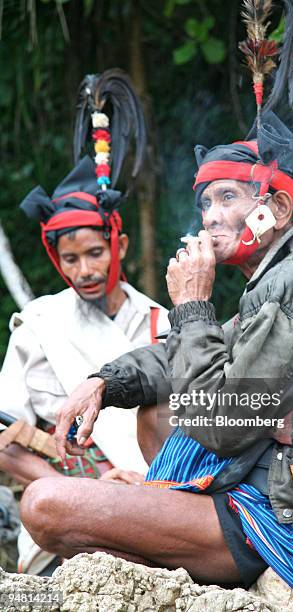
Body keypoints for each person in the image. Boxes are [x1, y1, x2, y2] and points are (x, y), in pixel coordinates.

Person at [20, 111, 293, 596]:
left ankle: (176, 548)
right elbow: (190, 359)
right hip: (274, 496)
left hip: (292, 520)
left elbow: (220, 422)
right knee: (155, 407)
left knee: (43, 504)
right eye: (205, 202)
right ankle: (164, 536)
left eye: (228, 197)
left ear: (278, 210)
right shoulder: (289, 277)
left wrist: (193, 304)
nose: (209, 217)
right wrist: (104, 382)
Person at [0, 72, 169, 575]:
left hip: (155, 519)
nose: (84, 271)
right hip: (62, 527)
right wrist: (86, 492)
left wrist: (141, 491)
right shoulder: (37, 326)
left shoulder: (166, 325)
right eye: (69, 259)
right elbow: (4, 441)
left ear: (119, 245)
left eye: (95, 253)